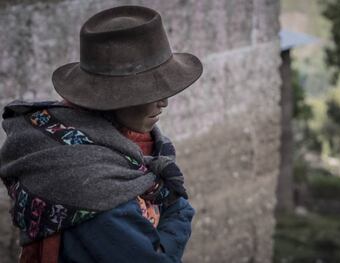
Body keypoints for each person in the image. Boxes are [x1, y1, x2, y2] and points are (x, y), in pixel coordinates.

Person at [0, 5, 203, 263]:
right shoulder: (97, 192)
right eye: (150, 92)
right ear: (111, 98)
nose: (164, 102)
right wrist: (179, 210)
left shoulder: (51, 132)